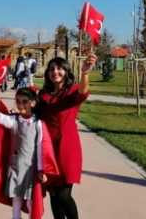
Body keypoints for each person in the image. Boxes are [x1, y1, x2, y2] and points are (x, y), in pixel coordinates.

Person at [35, 54, 96, 219]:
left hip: (67, 147)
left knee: (63, 195)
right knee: (54, 194)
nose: (56, 72)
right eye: (52, 69)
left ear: (66, 71)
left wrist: (85, 73)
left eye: (60, 68)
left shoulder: (72, 91)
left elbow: (83, 93)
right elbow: (36, 117)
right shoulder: (43, 94)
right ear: (48, 73)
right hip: (48, 149)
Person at [0, 87, 46, 219]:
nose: (20, 104)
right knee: (16, 200)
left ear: (33, 103)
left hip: (30, 169)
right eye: (18, 101)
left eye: (25, 101)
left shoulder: (37, 123)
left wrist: (41, 169)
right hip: (16, 166)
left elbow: (40, 147)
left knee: (30, 201)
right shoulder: (14, 120)